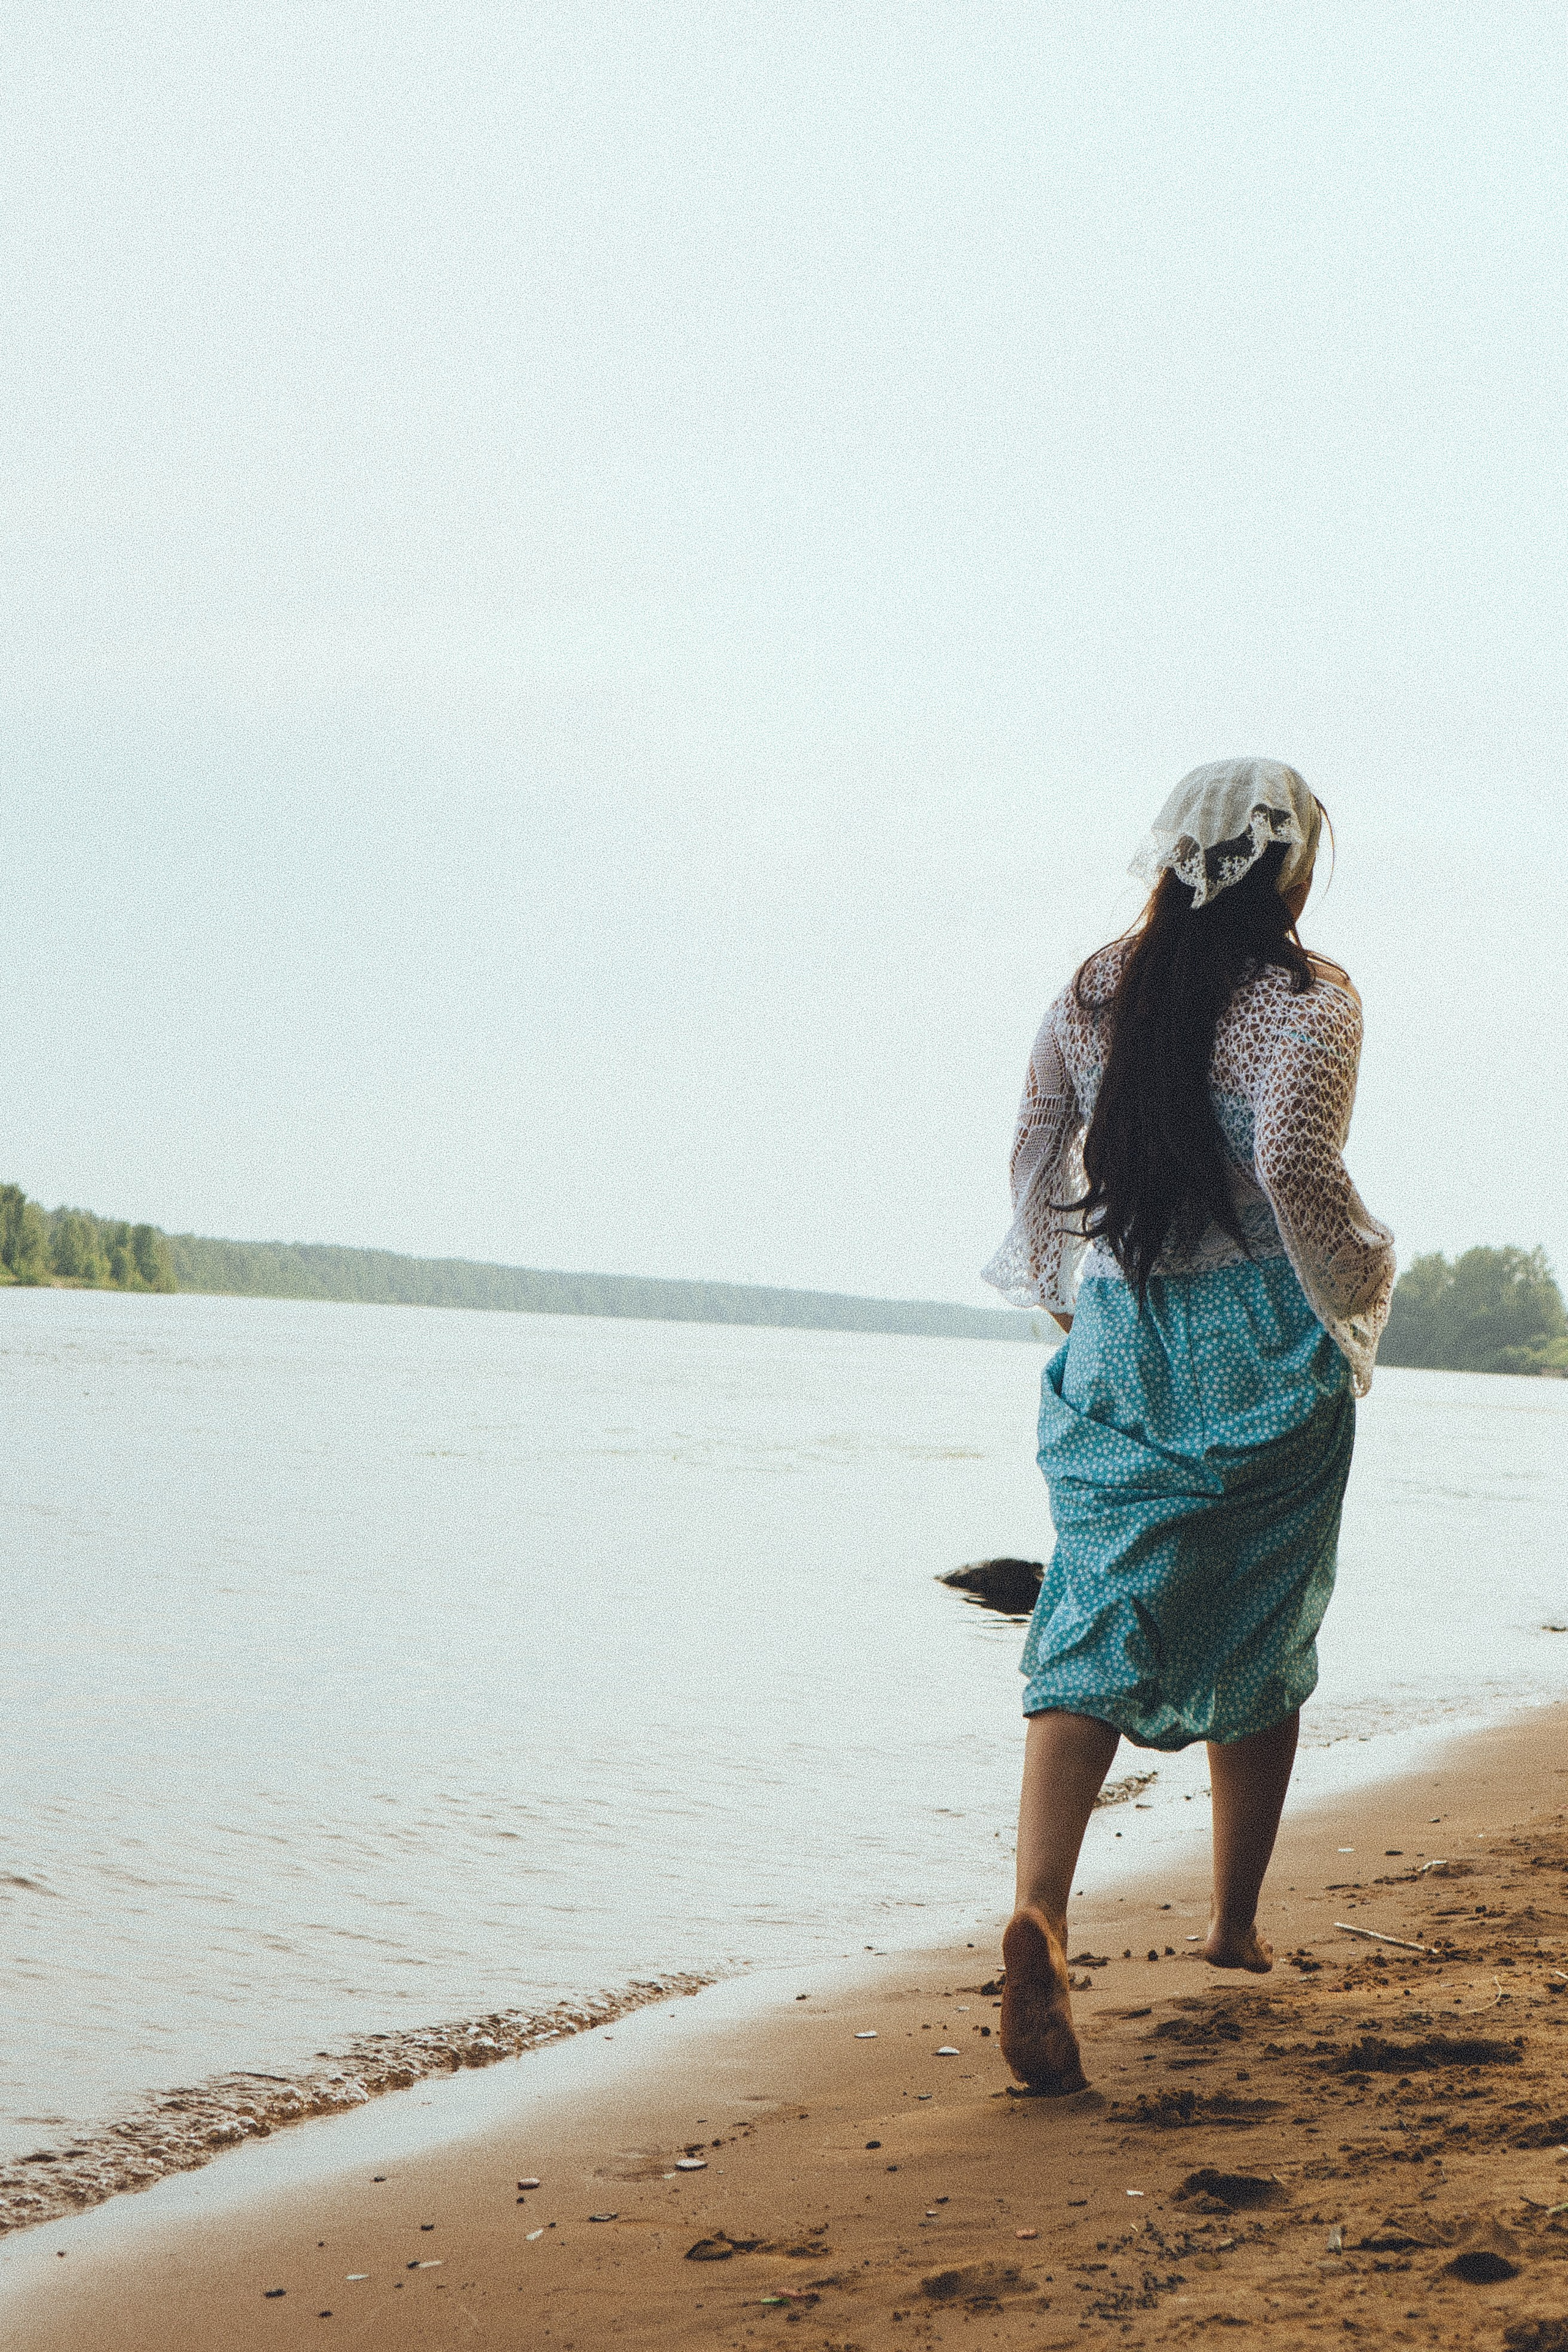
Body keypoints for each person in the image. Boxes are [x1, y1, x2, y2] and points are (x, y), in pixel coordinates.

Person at [981, 759, 1394, 2094]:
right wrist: (1356, 1278)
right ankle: (1228, 1928)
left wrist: (1065, 1295)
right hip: (1258, 1340)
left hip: (1121, 1333)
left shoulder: (1093, 986)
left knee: (1095, 1611)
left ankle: (1040, 1908)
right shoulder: (1304, 999)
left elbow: (1036, 1142)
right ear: (1282, 865)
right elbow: (1289, 1166)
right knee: (1265, 1614)